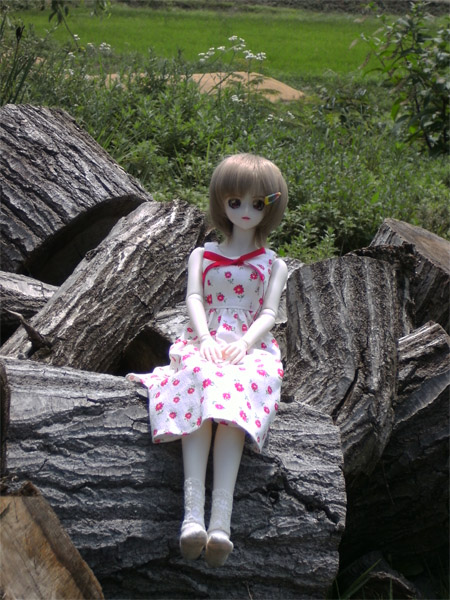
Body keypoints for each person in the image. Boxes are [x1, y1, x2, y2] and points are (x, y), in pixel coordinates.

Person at [127, 153, 288, 567]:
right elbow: (195, 299)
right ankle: (192, 516)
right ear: (222, 202)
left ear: (270, 206)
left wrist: (246, 343)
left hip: (249, 347)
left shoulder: (274, 264)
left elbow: (269, 314)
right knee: (199, 385)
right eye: (235, 202)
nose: (246, 210)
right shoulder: (203, 255)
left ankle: (221, 523)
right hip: (205, 339)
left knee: (233, 404)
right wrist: (203, 338)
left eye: (257, 203)